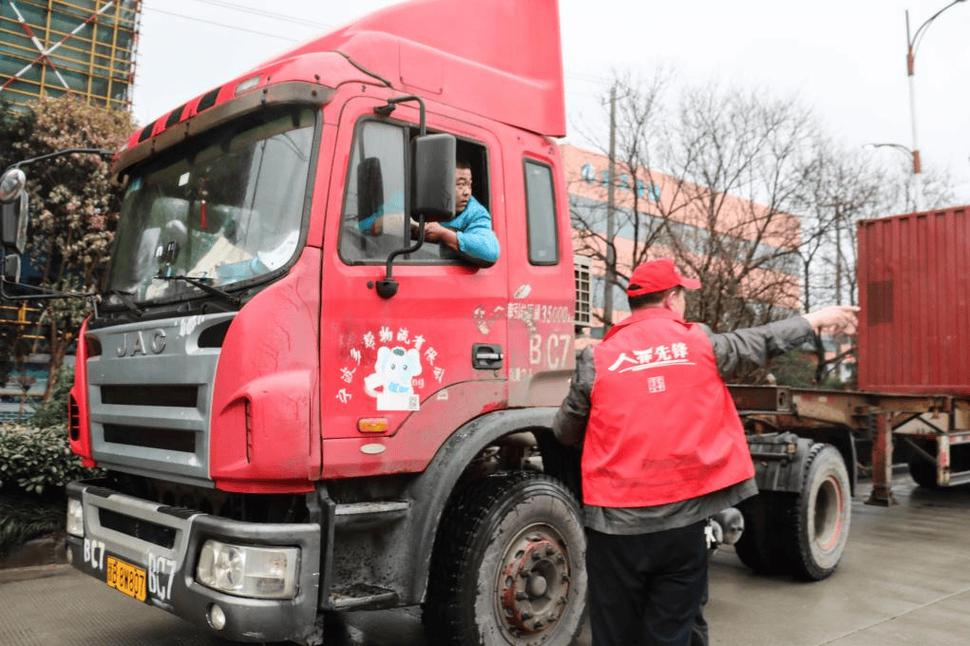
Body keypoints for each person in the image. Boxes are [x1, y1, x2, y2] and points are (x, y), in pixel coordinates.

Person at [552, 258, 859, 646]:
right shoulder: (701, 344)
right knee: (673, 630)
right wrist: (816, 319)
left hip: (615, 528)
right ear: (672, 298)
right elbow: (762, 340)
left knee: (615, 632)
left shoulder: (595, 359)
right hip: (683, 526)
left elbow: (564, 432)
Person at [359, 159, 499, 267]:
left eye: (469, 184)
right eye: (460, 184)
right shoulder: (407, 198)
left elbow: (490, 250)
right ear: (438, 185)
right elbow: (358, 228)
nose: (467, 192)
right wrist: (385, 223)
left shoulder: (474, 212)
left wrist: (444, 234)